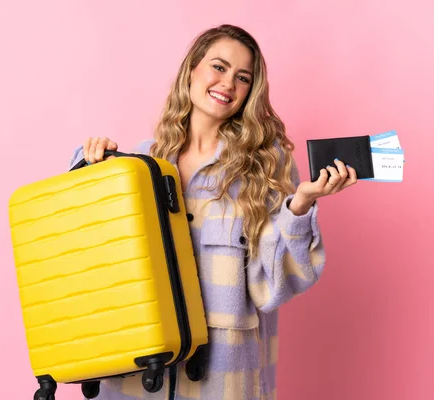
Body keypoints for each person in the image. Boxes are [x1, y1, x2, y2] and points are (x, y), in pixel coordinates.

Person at [68, 24, 357, 400]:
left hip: (222, 381)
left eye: (242, 77)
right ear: (192, 70)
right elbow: (92, 254)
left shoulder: (268, 167)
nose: (228, 84)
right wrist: (92, 163)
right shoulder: (141, 162)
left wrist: (299, 206)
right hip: (136, 379)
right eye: (218, 67)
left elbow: (268, 286)